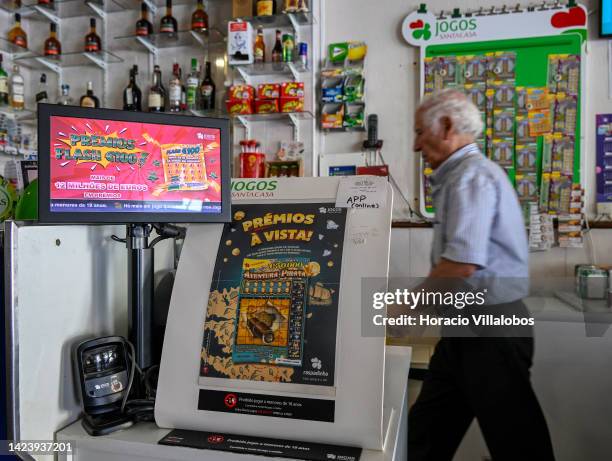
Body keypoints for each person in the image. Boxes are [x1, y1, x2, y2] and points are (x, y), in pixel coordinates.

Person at [407, 89, 555, 460]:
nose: (415, 145)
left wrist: (409, 308)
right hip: (466, 329)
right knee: (424, 434)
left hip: (490, 328)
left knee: (517, 441)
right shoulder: (460, 176)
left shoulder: (469, 177)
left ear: (444, 126)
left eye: (419, 132)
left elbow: (461, 263)